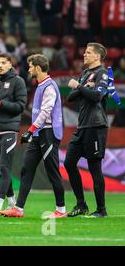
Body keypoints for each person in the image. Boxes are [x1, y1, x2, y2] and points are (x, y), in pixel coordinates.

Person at [1, 54, 66, 218]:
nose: (29, 69)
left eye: (30, 66)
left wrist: (30, 130)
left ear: (38, 68)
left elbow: (45, 112)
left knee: (52, 172)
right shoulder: (41, 85)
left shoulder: (49, 87)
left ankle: (61, 210)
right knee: (26, 169)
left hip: (48, 133)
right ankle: (18, 209)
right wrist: (33, 131)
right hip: (38, 134)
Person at [65, 43, 110, 218]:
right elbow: (70, 97)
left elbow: (97, 97)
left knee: (94, 168)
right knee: (69, 163)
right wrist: (81, 87)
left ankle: (101, 210)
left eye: (88, 53)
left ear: (97, 57)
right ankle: (81, 205)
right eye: (84, 52)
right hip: (82, 126)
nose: (84, 55)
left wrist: (79, 87)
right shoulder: (85, 74)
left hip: (96, 126)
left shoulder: (103, 74)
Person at [0, 53, 27, 214]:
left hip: (9, 128)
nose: (0, 65)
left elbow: (20, 106)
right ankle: (12, 202)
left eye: (4, 62)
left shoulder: (18, 81)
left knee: (4, 166)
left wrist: (2, 104)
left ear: (11, 64)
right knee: (1, 167)